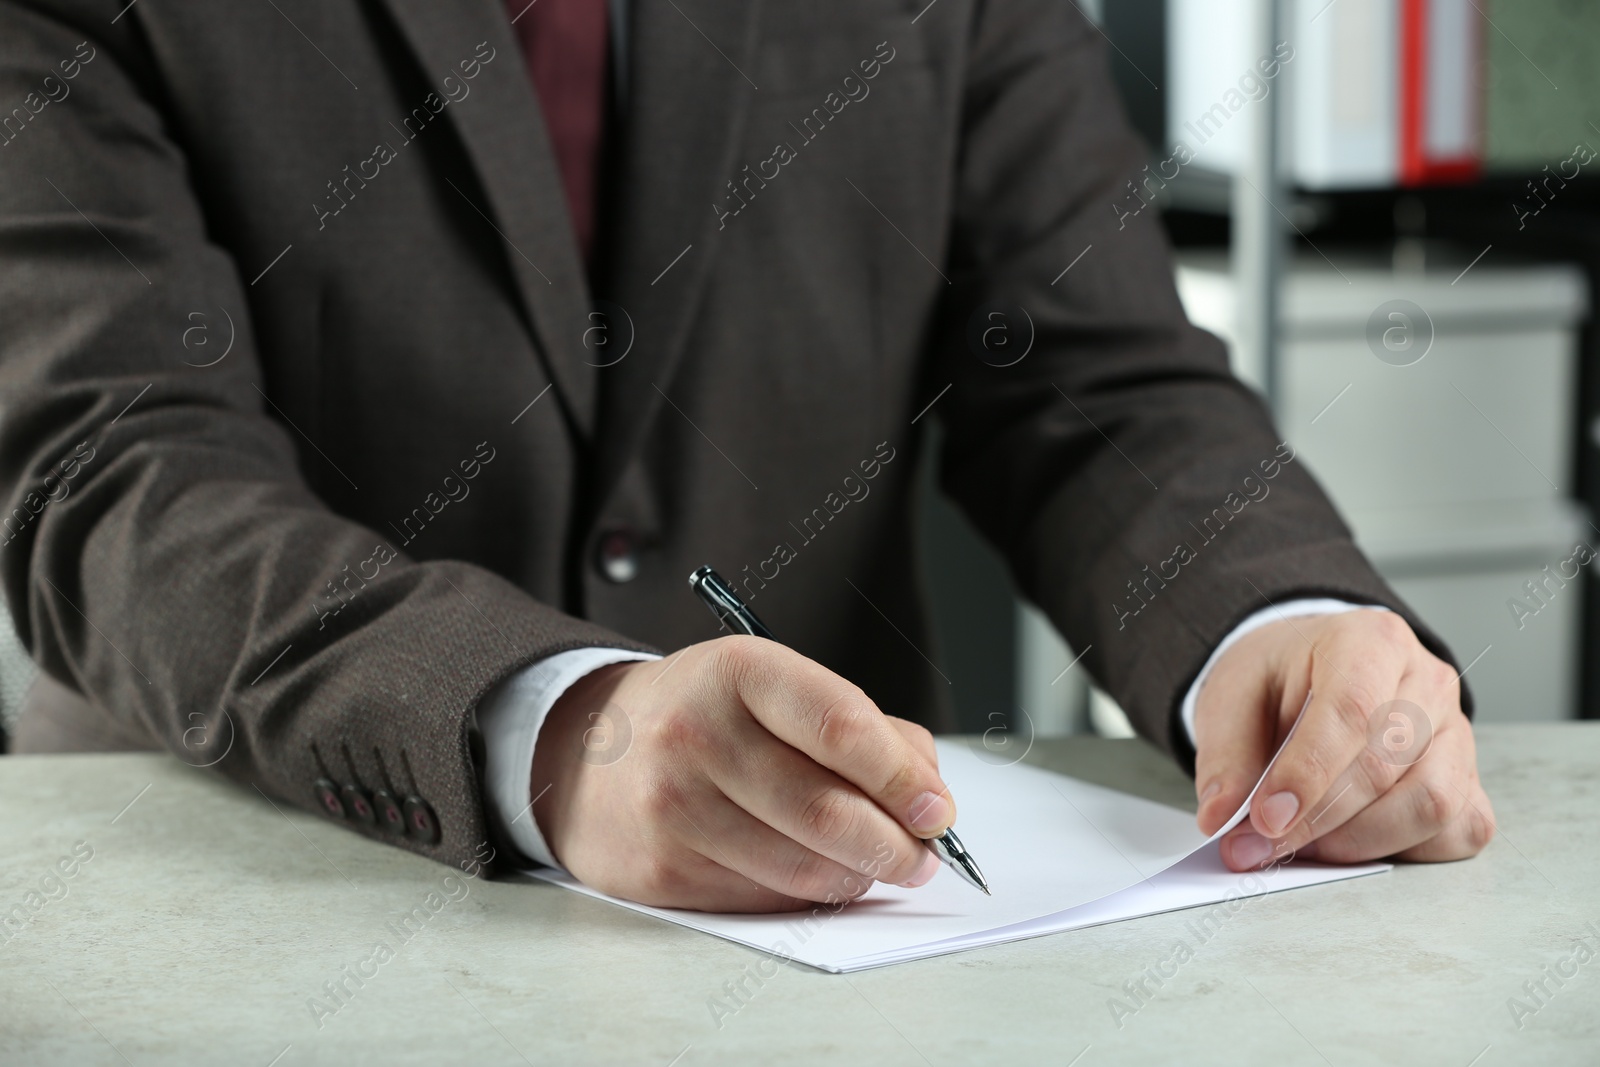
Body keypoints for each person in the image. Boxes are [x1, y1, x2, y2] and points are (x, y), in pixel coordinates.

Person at [0, 0, 1492, 912]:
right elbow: (105, 461)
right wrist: (555, 726)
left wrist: (1270, 621)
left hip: (833, 933)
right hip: (242, 899)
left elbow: (1084, 367)